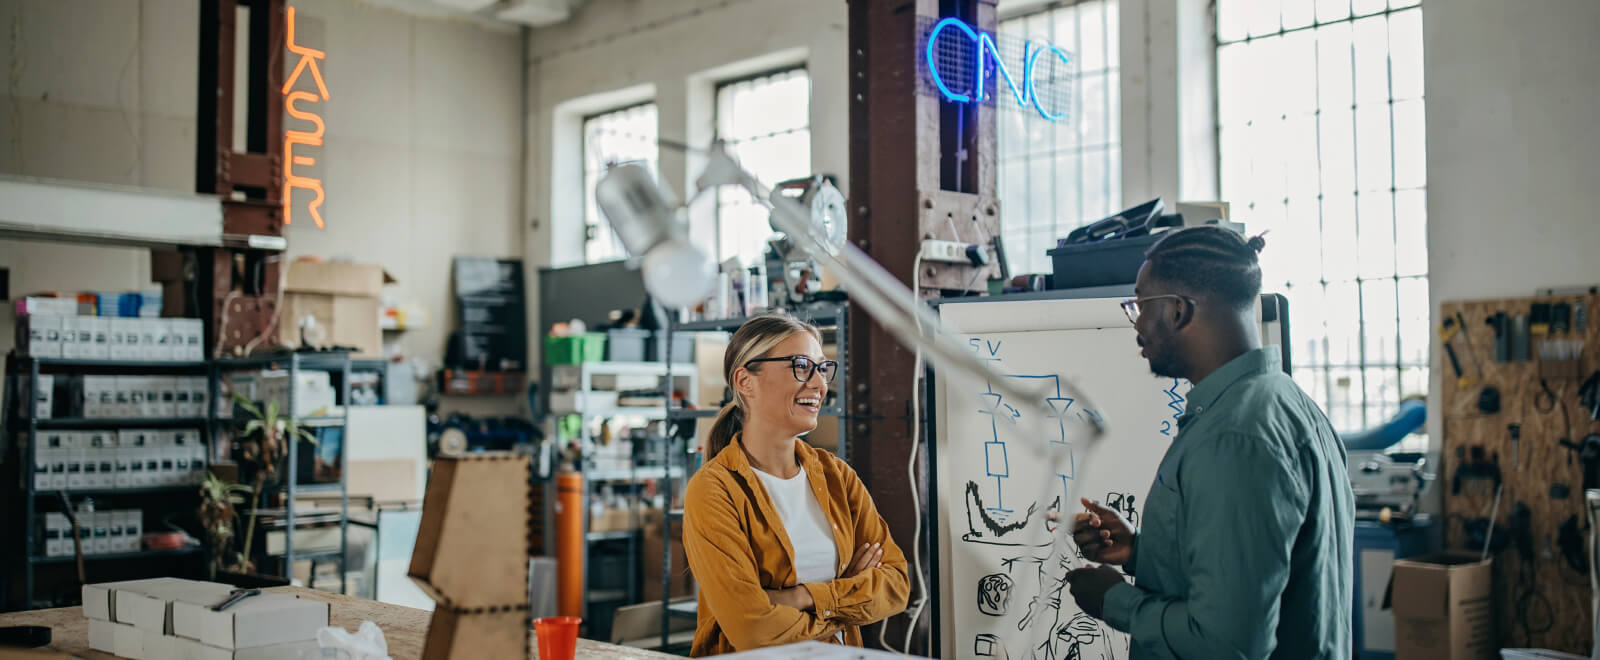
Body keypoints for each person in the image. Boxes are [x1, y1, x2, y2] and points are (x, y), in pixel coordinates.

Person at [1061, 226, 1354, 659]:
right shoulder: (1286, 402)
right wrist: (1142, 553)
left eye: (1140, 306)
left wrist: (1113, 600)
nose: (1137, 323)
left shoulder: (1236, 438)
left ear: (1178, 311)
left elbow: (1228, 643)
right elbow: (1260, 573)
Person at [681, 313, 910, 655]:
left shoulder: (837, 476)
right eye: (801, 365)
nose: (819, 385)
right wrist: (846, 603)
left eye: (821, 368)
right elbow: (752, 630)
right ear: (745, 381)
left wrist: (803, 597)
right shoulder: (714, 490)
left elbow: (896, 586)